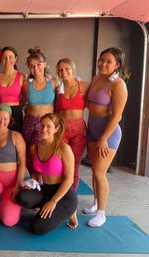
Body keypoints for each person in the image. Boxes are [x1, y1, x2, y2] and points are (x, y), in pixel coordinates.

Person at [84, 47, 128, 227]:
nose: (103, 64)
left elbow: (117, 116)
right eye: (101, 60)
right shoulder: (96, 78)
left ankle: (102, 213)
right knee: (94, 171)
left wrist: (103, 138)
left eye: (108, 61)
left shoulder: (118, 85)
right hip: (92, 128)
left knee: (99, 173)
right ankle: (95, 203)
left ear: (117, 65)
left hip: (108, 133)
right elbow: (88, 102)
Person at [17, 113, 78, 235]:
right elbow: (38, 171)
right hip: (46, 189)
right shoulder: (35, 147)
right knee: (22, 197)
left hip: (64, 195)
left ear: (56, 129)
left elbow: (69, 180)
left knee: (37, 228)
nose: (44, 129)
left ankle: (71, 212)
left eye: (49, 126)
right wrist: (32, 180)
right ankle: (48, 207)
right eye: (42, 125)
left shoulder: (64, 149)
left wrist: (53, 202)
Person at [56, 58, 90, 190]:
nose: (64, 72)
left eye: (67, 69)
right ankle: (59, 193)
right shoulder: (58, 88)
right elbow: (56, 110)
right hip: (62, 129)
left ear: (73, 69)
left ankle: (71, 195)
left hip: (78, 130)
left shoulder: (85, 86)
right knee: (60, 163)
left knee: (75, 164)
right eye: (61, 69)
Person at [22, 46, 57, 173]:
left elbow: (58, 104)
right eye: (32, 66)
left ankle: (42, 180)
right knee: (29, 154)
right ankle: (34, 179)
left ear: (45, 64)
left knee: (42, 153)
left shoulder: (53, 82)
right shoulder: (26, 83)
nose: (35, 68)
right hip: (29, 122)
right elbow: (23, 102)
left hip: (47, 123)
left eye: (39, 64)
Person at [0, 46, 26, 132]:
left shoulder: (22, 76)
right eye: (4, 58)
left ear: (16, 59)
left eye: (10, 57)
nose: (7, 60)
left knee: (15, 140)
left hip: (15, 113)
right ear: (1, 60)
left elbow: (24, 99)